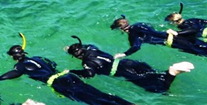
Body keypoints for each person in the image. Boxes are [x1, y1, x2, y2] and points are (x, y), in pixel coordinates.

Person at [0, 34, 149, 105]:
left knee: (94, 101)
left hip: (59, 84)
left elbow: (14, 74)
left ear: (13, 57)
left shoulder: (21, 66)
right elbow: (52, 63)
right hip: (68, 76)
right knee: (98, 94)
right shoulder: (39, 58)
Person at [64, 35, 194, 93]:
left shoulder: (87, 62)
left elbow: (89, 74)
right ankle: (169, 72)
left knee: (157, 88)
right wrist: (71, 47)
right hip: (128, 63)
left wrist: (71, 71)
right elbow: (87, 45)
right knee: (153, 74)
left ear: (76, 56)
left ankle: (173, 72)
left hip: (124, 71)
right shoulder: (92, 48)